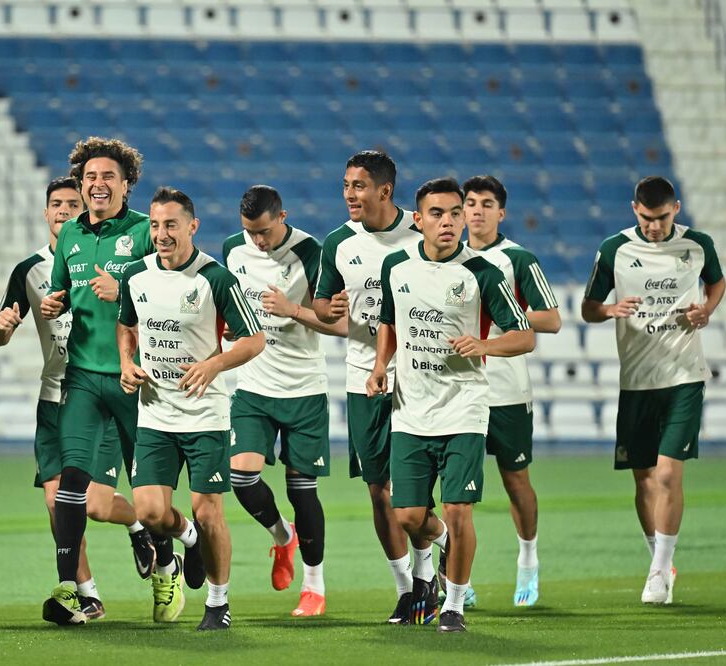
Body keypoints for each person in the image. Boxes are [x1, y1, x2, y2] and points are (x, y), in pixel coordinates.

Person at [367, 177, 535, 632]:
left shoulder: (483, 273)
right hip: (410, 409)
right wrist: (381, 365)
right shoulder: (396, 267)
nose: (448, 222)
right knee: (407, 516)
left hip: (464, 409)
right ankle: (443, 541)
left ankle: (455, 606)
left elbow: (525, 335)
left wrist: (485, 345)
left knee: (460, 510)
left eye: (455, 213)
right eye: (437, 214)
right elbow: (389, 321)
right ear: (417, 220)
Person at [117, 186, 265, 630]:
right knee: (148, 513)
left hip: (205, 415)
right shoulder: (135, 275)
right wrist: (127, 363)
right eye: (156, 225)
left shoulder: (215, 279)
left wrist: (213, 365)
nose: (162, 234)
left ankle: (218, 604)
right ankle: (188, 538)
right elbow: (126, 326)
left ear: (192, 227)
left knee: (209, 510)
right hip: (155, 413)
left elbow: (254, 339)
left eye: (171, 225)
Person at [311, 150, 445, 624]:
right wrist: (324, 313)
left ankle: (429, 574)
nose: (349, 193)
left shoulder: (421, 230)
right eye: (346, 184)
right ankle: (409, 587)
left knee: (413, 492)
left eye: (359, 185)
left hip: (419, 375)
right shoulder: (338, 243)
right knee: (376, 490)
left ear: (385, 191)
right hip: (361, 374)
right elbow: (324, 307)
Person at [582, 176, 726, 605]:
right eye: (646, 218)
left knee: (667, 473)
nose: (654, 227)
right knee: (643, 479)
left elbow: (715, 283)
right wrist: (610, 309)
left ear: (676, 209)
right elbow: (589, 308)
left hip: (684, 375)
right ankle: (658, 559)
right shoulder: (614, 249)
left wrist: (706, 309)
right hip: (637, 382)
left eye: (662, 218)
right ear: (634, 210)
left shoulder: (698, 245)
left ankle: (661, 571)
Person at [39, 138, 158, 625]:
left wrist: (127, 283)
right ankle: (70, 587)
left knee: (151, 498)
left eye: (108, 176)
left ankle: (171, 555)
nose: (97, 184)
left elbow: (177, 285)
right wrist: (55, 302)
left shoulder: (148, 232)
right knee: (71, 482)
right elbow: (63, 289)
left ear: (127, 185)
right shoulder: (70, 235)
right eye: (89, 177)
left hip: (138, 379)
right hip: (85, 374)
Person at [222, 185, 346, 617]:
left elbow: (341, 325)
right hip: (254, 386)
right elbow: (230, 308)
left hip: (303, 389)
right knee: (240, 478)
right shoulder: (232, 250)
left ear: (282, 217)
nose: (257, 241)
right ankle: (282, 537)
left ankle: (314, 585)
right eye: (250, 232)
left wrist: (293, 310)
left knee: (302, 491)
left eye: (264, 232)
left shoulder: (313, 252)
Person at [0, 176, 110, 619]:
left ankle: (147, 531)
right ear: (45, 212)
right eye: (55, 203)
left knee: (96, 505)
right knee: (56, 500)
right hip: (53, 397)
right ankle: (86, 593)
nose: (62, 210)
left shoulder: (106, 259)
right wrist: (0, 330)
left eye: (71, 203)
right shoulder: (29, 271)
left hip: (101, 393)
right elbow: (0, 332)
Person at [462, 175, 561, 607]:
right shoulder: (443, 256)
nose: (477, 210)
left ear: (501, 213)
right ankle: (457, 582)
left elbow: (552, 319)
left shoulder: (518, 259)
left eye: (487, 203)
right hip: (458, 392)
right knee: (453, 492)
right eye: (470, 203)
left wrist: (509, 314)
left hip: (507, 392)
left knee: (515, 480)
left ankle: (527, 561)